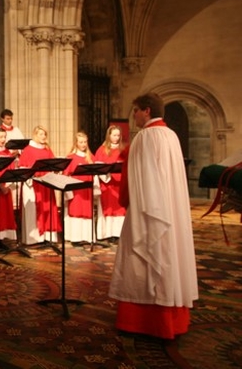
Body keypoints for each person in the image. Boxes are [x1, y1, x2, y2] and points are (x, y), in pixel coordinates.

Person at [109, 92, 198, 340]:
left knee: (145, 259)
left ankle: (143, 322)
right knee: (170, 257)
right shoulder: (171, 136)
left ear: (147, 110)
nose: (134, 115)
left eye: (136, 110)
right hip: (170, 210)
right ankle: (173, 319)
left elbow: (139, 180)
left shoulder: (145, 137)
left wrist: (130, 204)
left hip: (148, 211)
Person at [18, 125, 61, 244]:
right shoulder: (28, 149)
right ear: (35, 135)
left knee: (48, 209)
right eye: (40, 134)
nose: (43, 137)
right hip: (33, 184)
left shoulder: (47, 149)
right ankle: (34, 238)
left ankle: (48, 236)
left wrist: (55, 169)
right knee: (35, 210)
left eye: (45, 134)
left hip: (46, 184)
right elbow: (23, 167)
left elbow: (53, 163)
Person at [62, 131, 95, 244]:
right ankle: (75, 238)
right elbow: (65, 175)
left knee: (86, 211)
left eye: (85, 142)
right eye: (81, 142)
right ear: (76, 143)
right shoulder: (70, 157)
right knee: (76, 211)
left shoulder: (90, 157)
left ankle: (86, 237)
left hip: (87, 190)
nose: (83, 144)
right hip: (76, 190)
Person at [94, 125, 126, 241]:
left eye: (118, 135)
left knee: (120, 208)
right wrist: (107, 175)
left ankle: (119, 234)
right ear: (109, 135)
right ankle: (107, 233)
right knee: (108, 207)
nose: (116, 138)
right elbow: (97, 165)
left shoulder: (123, 150)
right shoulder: (102, 150)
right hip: (107, 184)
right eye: (114, 135)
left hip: (119, 183)